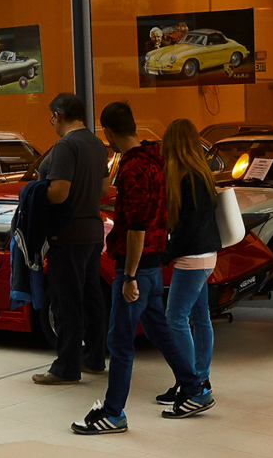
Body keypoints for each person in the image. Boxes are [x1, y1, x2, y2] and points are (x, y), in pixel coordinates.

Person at [73, 104, 206, 435]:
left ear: (108, 132)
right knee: (160, 331)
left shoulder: (133, 168)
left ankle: (113, 413)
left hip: (136, 269)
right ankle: (194, 389)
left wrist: (129, 276)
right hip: (153, 265)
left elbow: (136, 226)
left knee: (119, 341)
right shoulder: (156, 159)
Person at [32, 92, 109, 386]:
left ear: (58, 115)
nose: (52, 122)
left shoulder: (66, 145)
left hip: (67, 234)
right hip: (92, 233)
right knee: (91, 299)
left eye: (51, 117)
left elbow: (59, 192)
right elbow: (104, 189)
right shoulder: (96, 143)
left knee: (66, 303)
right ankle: (94, 359)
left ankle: (66, 367)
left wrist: (36, 193)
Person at [156, 118, 220, 410]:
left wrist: (166, 253)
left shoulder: (188, 177)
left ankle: (192, 384)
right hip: (205, 255)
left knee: (175, 318)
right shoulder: (201, 173)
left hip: (191, 258)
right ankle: (198, 378)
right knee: (199, 317)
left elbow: (187, 225)